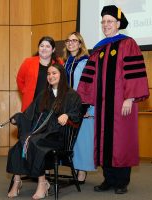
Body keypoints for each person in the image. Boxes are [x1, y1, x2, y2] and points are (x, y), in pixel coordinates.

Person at [77, 5, 150, 194]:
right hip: (102, 105)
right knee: (104, 140)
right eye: (103, 22)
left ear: (118, 24)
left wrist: (130, 97)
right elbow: (89, 77)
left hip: (121, 102)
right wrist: (85, 100)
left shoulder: (128, 44)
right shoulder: (99, 48)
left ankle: (121, 182)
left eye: (109, 21)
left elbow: (134, 73)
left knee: (121, 140)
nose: (105, 25)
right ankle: (108, 179)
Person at [7, 63, 82, 199]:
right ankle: (17, 181)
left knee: (34, 142)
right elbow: (30, 114)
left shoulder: (72, 95)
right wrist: (18, 118)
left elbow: (76, 114)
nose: (50, 76)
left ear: (62, 75)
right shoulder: (43, 95)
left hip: (58, 136)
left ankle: (42, 183)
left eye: (54, 73)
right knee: (21, 143)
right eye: (48, 74)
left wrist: (67, 115)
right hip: (41, 133)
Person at [63, 32, 95, 184]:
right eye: (68, 41)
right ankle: (75, 168)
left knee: (83, 139)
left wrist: (89, 108)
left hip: (84, 106)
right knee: (71, 140)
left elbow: (91, 86)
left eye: (74, 41)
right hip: (68, 107)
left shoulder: (87, 62)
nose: (71, 43)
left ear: (80, 43)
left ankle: (82, 170)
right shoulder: (65, 62)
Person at [16, 36, 62, 112]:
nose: (44, 48)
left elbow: (62, 82)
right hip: (31, 105)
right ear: (38, 48)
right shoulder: (28, 62)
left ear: (53, 49)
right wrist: (26, 91)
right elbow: (20, 80)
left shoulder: (59, 63)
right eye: (42, 46)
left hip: (51, 104)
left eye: (47, 46)